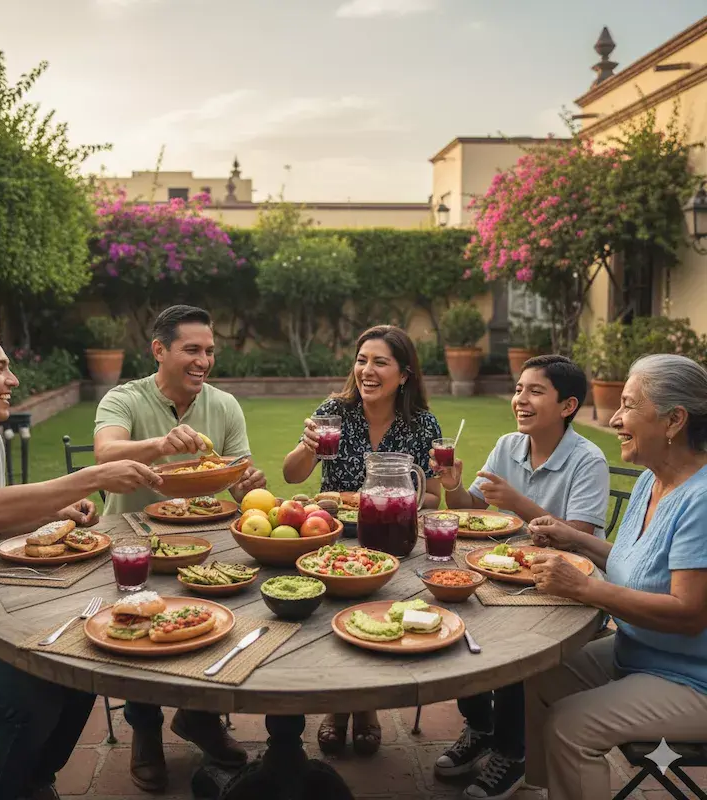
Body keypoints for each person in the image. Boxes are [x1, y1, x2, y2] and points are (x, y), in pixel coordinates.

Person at [0, 321, 163, 800]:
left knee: (82, 666)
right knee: (35, 697)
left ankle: (23, 780)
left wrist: (53, 513)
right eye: (0, 368)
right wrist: (94, 475)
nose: (14, 380)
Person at [93, 304, 266, 793]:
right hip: (133, 541)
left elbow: (235, 480)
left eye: (209, 351)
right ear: (159, 350)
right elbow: (106, 451)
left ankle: (199, 716)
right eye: (192, 349)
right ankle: (144, 730)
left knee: (234, 613)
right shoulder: (123, 398)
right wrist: (162, 444)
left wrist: (246, 481)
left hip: (204, 542)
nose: (203, 361)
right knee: (135, 629)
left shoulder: (224, 405)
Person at [523, 354, 707, 800]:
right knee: (534, 669)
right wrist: (573, 537)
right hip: (636, 653)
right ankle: (551, 789)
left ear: (674, 420)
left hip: (693, 679)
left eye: (628, 406)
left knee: (571, 724)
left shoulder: (701, 501)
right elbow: (636, 562)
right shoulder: (652, 479)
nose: (617, 419)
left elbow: (689, 613)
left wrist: (585, 587)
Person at [431, 354, 609, 800]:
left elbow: (579, 539)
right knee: (451, 611)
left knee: (515, 643)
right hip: (503, 569)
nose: (520, 400)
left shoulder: (588, 460)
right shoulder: (509, 445)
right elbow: (472, 506)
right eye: (517, 389)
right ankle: (480, 727)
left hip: (566, 583)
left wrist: (518, 501)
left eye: (534, 391)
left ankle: (513, 752)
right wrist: (453, 484)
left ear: (567, 406)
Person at [282, 324, 442, 757]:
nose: (367, 371)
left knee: (378, 615)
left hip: (391, 535)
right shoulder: (335, 410)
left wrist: (409, 492)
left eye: (380, 362)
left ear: (404, 374)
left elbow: (432, 493)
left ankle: (365, 707)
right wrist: (309, 447)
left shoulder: (421, 423)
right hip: (331, 535)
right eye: (361, 360)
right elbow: (292, 475)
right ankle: (339, 708)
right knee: (334, 618)